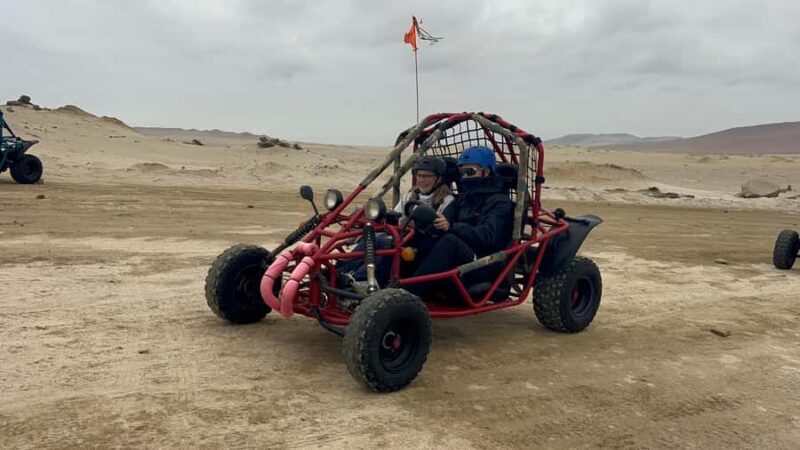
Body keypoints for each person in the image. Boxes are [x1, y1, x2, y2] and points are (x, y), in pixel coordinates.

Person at [405, 145, 515, 299]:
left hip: (485, 263)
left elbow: (488, 236)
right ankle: (380, 284)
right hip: (460, 260)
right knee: (417, 238)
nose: (465, 177)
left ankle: (409, 295)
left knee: (449, 241)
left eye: (470, 172)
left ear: (487, 171)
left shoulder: (501, 203)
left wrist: (452, 227)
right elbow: (443, 221)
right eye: (462, 172)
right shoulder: (464, 199)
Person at [337, 155, 454, 287]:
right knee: (372, 237)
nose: (421, 180)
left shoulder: (447, 200)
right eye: (419, 175)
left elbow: (439, 228)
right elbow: (397, 215)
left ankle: (362, 281)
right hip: (405, 236)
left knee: (385, 242)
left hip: (425, 246)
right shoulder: (411, 195)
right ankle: (340, 272)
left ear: (438, 179)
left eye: (427, 176)